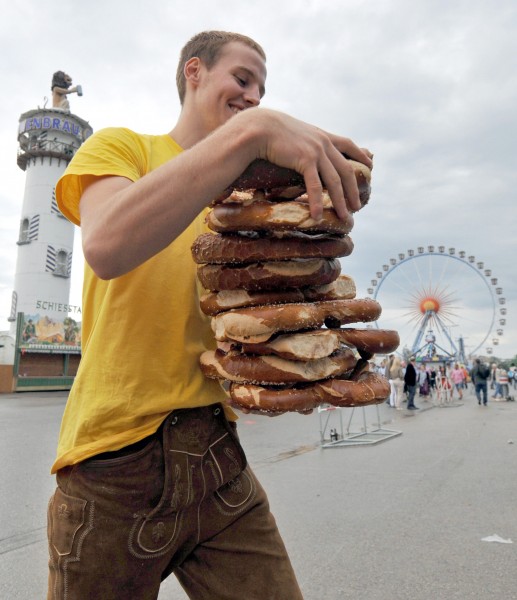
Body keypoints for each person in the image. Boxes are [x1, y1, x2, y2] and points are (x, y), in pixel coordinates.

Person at [46, 31, 373, 599]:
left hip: (217, 453)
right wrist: (253, 134)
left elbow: (277, 313)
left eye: (263, 90)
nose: (254, 96)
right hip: (113, 460)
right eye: (242, 80)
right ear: (193, 71)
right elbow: (108, 245)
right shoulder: (123, 148)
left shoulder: (254, 206)